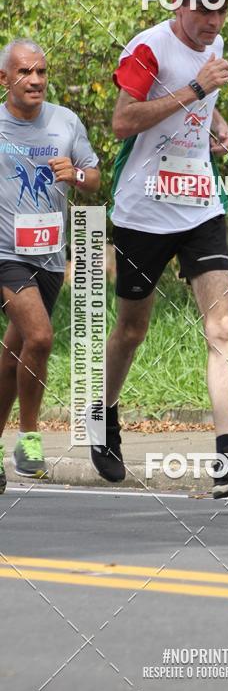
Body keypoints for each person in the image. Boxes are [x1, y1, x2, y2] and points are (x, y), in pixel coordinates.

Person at [90, 0, 228, 499]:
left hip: (199, 205)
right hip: (143, 209)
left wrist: (215, 121)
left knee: (224, 326)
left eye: (223, 10)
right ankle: (104, 413)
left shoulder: (214, 45)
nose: (215, 22)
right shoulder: (147, 49)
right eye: (204, 10)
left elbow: (199, 101)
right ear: (178, 4)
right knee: (132, 329)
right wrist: (194, 91)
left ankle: (227, 455)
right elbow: (122, 121)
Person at [0, 38, 100, 491]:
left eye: (41, 72)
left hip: (50, 254)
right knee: (40, 336)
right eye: (24, 72)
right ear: (5, 79)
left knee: (15, 352)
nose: (35, 80)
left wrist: (75, 175)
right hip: (5, 254)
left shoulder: (65, 121)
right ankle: (29, 441)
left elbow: (95, 179)